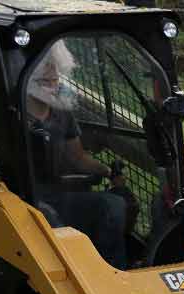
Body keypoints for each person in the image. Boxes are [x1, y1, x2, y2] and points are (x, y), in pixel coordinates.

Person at [26, 41, 129, 269]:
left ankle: (109, 273)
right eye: (45, 67)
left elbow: (78, 157)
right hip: (22, 202)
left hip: (57, 196)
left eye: (55, 67)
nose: (52, 73)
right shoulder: (8, 114)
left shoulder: (62, 113)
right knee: (48, 217)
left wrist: (108, 171)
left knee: (113, 205)